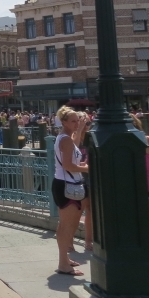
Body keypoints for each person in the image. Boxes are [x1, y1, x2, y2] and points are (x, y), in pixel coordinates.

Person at [51, 107, 89, 276]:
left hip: (65, 183)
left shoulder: (66, 138)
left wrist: (80, 129)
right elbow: (68, 165)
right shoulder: (64, 140)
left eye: (77, 120)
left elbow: (75, 146)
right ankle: (63, 263)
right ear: (64, 122)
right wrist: (88, 168)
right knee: (67, 226)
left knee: (67, 225)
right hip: (67, 185)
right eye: (73, 121)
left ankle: (64, 259)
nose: (76, 123)